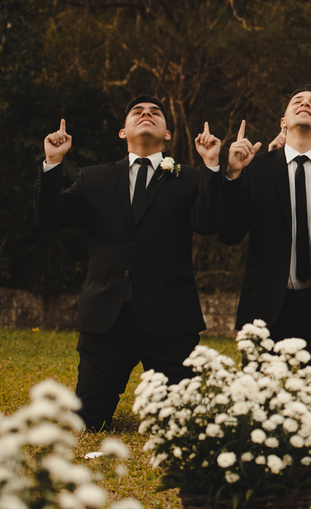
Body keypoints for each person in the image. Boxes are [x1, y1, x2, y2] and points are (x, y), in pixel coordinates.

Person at [34, 97, 224, 431]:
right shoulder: (94, 178)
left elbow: (208, 224)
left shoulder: (190, 178)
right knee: (87, 422)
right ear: (123, 131)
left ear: (167, 134)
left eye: (155, 113)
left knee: (180, 425)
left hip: (170, 320)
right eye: (138, 112)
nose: (147, 114)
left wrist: (211, 166)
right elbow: (49, 218)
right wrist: (52, 162)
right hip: (107, 320)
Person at [219, 86, 311, 369]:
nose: (305, 104)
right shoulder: (255, 168)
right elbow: (230, 234)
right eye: (297, 101)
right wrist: (232, 175)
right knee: (263, 404)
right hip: (267, 308)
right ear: (283, 122)